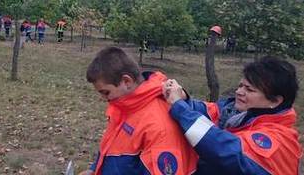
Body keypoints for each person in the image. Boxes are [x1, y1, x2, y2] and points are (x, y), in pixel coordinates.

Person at [163, 56, 301, 175]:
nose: (239, 92)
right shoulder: (240, 113)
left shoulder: (278, 140)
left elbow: (225, 150)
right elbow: (212, 112)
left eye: (249, 89)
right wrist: (184, 98)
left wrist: (180, 108)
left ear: (275, 101)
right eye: (240, 85)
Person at [78, 47, 198, 175]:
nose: (103, 98)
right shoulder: (124, 107)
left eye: (106, 92)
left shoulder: (158, 127)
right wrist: (95, 170)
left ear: (126, 81)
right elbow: (113, 149)